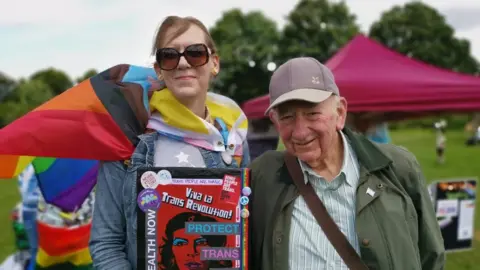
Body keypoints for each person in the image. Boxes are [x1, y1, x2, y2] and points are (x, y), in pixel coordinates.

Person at [248, 57, 445, 270]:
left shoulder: (397, 167)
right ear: (275, 121)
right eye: (287, 117)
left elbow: (431, 257)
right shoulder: (262, 176)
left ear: (340, 113)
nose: (300, 132)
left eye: (312, 113)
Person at [89, 16, 250, 269]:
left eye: (196, 53)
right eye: (169, 55)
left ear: (214, 63)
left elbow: (245, 235)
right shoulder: (126, 140)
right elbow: (107, 243)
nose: (183, 63)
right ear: (159, 69)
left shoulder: (235, 139)